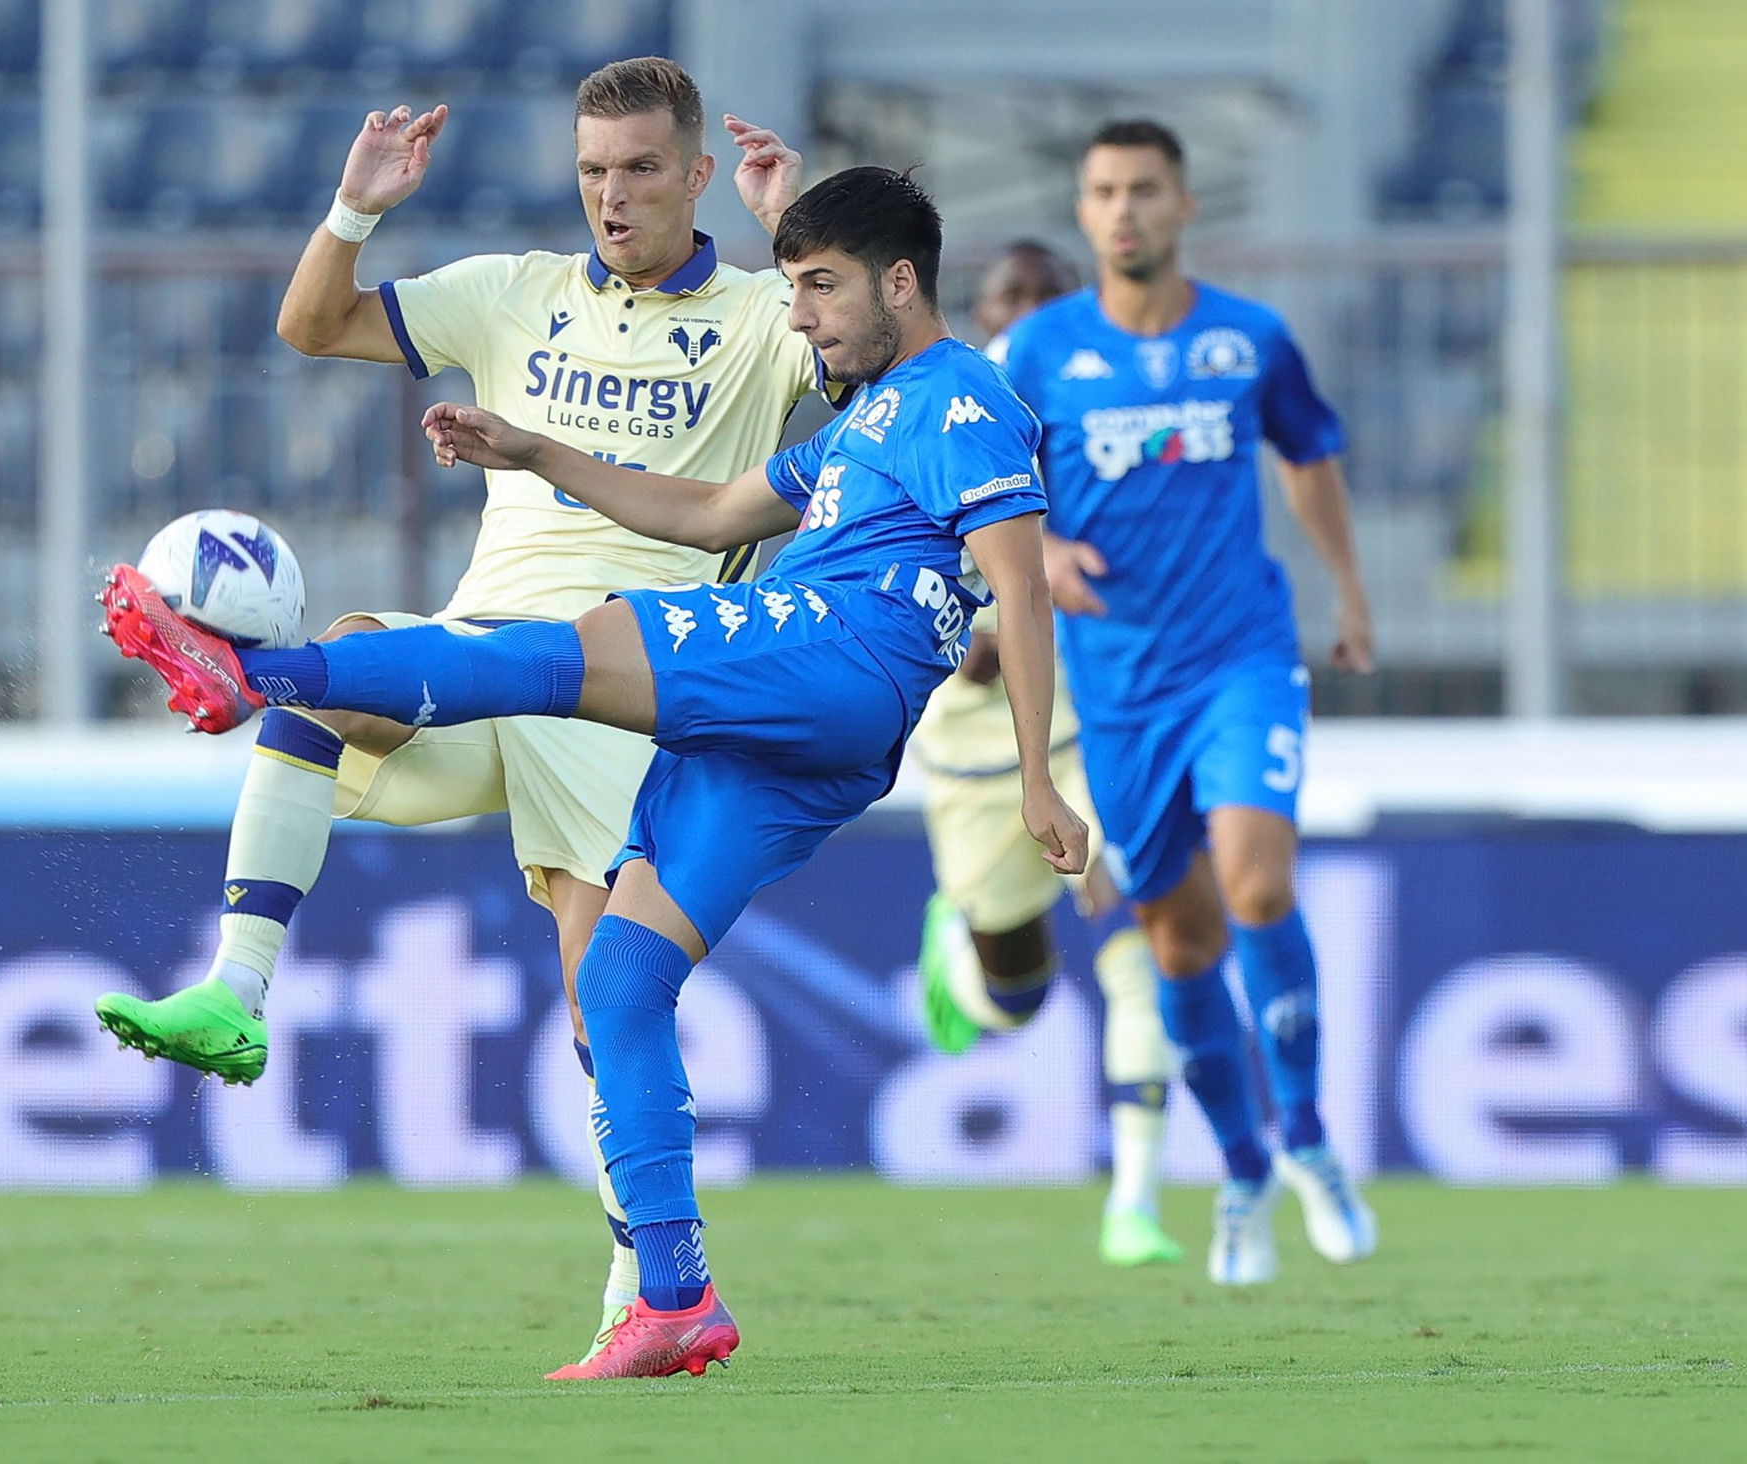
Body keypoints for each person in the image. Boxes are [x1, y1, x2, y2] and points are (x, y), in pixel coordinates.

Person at [102, 165, 1086, 1379]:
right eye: (792, 290)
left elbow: (1023, 586)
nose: (801, 319)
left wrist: (1033, 774)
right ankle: (674, 1300)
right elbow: (712, 512)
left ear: (899, 283)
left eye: (821, 289)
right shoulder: (861, 425)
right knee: (619, 981)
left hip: (829, 653)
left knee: (552, 652)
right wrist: (531, 450)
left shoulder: (964, 398)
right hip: (808, 739)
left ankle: (260, 675)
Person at [88, 56, 833, 1363]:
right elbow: (312, 327)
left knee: (608, 1004)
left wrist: (803, 234)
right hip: (482, 659)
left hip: (633, 684)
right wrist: (353, 208)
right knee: (334, 672)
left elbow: (910, 377)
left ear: (698, 174)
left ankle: (646, 1283)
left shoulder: (768, 315)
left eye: (643, 169)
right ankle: (235, 991)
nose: (613, 196)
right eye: (594, 171)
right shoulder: (515, 294)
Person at [998, 118, 1378, 1285]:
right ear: (1084, 210)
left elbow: (1307, 458)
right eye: (1104, 190)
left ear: (1183, 205)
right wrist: (1046, 547)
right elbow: (981, 496)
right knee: (1181, 943)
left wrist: (1348, 592)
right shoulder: (1034, 354)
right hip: (1119, 696)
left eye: (1144, 190)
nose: (1124, 210)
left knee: (1258, 880)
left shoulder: (1249, 340)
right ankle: (1246, 1171)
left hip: (1240, 659)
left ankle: (1311, 1136)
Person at [909, 238, 1183, 1269]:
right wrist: (1010, 612)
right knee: (1015, 997)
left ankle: (1135, 1204)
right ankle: (960, 946)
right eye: (1003, 297)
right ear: (981, 315)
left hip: (1098, 731)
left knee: (1133, 944)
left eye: (1040, 296)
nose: (1020, 315)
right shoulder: (941, 422)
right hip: (979, 749)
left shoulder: (1110, 431)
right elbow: (960, 638)